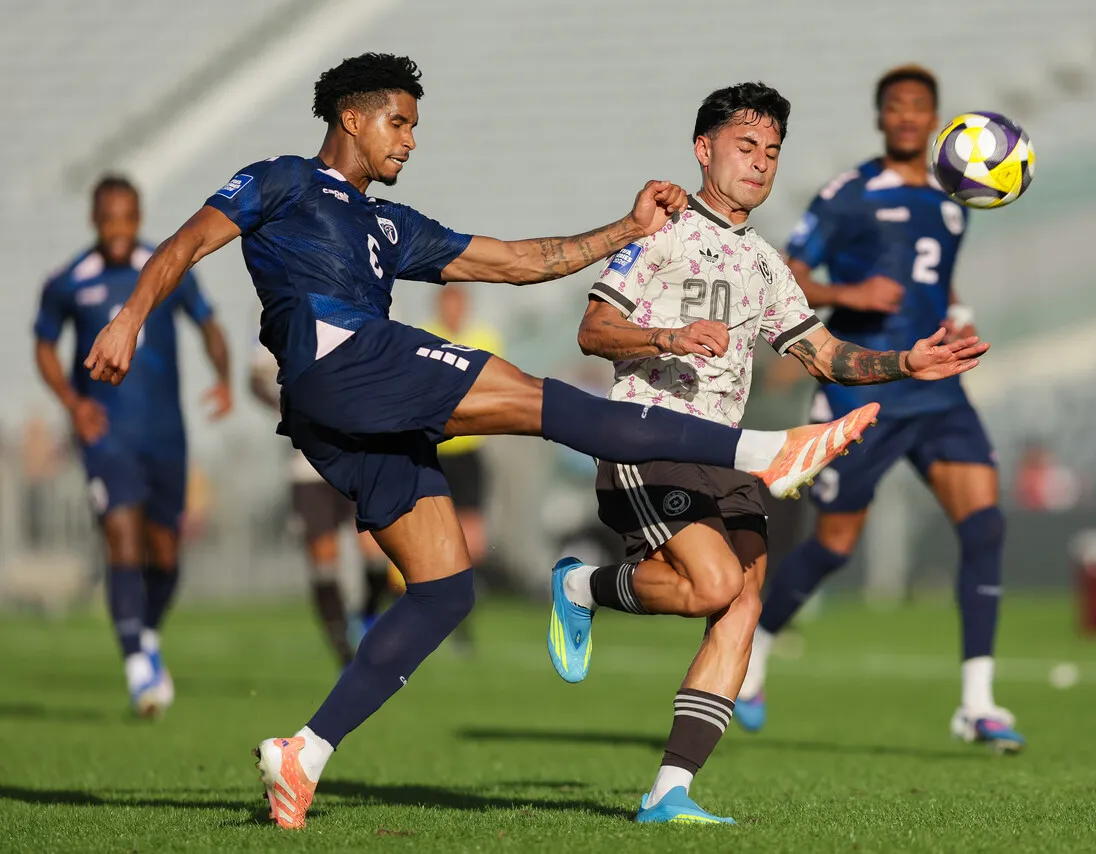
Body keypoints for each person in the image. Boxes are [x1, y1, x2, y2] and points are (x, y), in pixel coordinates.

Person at [82, 53, 877, 829]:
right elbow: (185, 243)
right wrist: (129, 316)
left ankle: (305, 752)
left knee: (444, 589)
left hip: (338, 414)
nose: (411, 140)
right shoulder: (284, 179)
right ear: (350, 118)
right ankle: (761, 451)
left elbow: (516, 264)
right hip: (346, 357)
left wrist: (626, 229)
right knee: (535, 396)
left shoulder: (390, 224)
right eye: (399, 122)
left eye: (415, 125)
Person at [549, 82, 990, 824]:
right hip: (646, 436)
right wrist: (667, 337)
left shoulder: (763, 263)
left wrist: (905, 362)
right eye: (745, 146)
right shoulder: (659, 230)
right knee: (719, 585)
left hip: (730, 455)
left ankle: (669, 793)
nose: (759, 163)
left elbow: (822, 353)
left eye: (772, 152)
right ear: (704, 150)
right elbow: (593, 332)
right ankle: (580, 587)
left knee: (742, 608)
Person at [736, 65, 1026, 753]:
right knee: (834, 546)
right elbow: (787, 269)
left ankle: (978, 702)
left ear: (936, 120)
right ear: (880, 118)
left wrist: (954, 318)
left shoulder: (957, 201)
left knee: (984, 528)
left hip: (937, 388)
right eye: (894, 106)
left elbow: (937, 280)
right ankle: (756, 651)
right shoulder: (848, 193)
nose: (906, 117)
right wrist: (855, 295)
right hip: (861, 389)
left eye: (918, 107)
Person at [33, 174, 231, 717]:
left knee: (165, 554)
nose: (117, 228)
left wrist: (223, 375)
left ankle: (144, 634)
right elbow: (44, 346)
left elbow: (209, 324)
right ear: (94, 220)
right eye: (107, 218)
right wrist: (74, 406)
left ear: (139, 218)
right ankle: (139, 671)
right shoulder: (69, 281)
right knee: (122, 539)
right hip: (106, 435)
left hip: (166, 434)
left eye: (126, 217)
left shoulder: (165, 267)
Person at [250, 343, 391, 667]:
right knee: (324, 559)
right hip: (307, 467)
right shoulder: (281, 307)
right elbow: (256, 378)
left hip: (358, 460)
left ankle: (367, 616)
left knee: (376, 553)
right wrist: (283, 406)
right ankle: (344, 653)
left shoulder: (368, 300)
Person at [422, 285, 503, 651]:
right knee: (432, 538)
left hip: (468, 454)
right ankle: (427, 609)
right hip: (433, 451)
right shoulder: (423, 337)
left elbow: (492, 390)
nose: (453, 311)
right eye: (447, 304)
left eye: (459, 305)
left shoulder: (484, 338)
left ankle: (461, 618)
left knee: (473, 542)